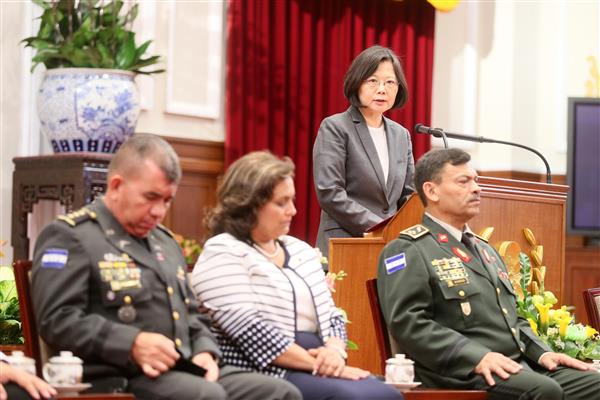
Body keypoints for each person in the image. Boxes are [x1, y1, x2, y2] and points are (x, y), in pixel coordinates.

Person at [31, 134, 301, 400]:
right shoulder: (72, 236)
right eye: (150, 197)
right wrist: (132, 343)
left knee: (279, 392)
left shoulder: (164, 242)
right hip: (119, 375)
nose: (159, 211)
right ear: (115, 186)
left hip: (184, 367)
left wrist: (205, 351)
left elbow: (192, 314)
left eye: (167, 200)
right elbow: (57, 318)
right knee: (206, 395)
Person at [377, 148, 600, 399]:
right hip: (459, 372)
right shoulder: (408, 249)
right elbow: (408, 323)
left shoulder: (485, 250)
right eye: (464, 181)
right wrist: (476, 356)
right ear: (432, 191)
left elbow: (514, 319)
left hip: (516, 365)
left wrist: (543, 352)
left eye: (476, 180)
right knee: (544, 391)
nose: (476, 188)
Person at [192, 151, 402, 400]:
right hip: (264, 369)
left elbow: (332, 314)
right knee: (355, 397)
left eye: (292, 200)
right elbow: (248, 330)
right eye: (281, 203)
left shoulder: (299, 249)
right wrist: (323, 366)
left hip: (319, 360)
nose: (292, 210)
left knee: (385, 394)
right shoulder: (223, 251)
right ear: (247, 204)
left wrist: (334, 352)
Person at [313, 45, 415, 258]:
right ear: (356, 83)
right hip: (346, 243)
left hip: (392, 248)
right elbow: (330, 192)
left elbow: (408, 195)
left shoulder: (401, 135)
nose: (382, 89)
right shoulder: (336, 127)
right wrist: (379, 227)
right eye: (372, 81)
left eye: (390, 82)